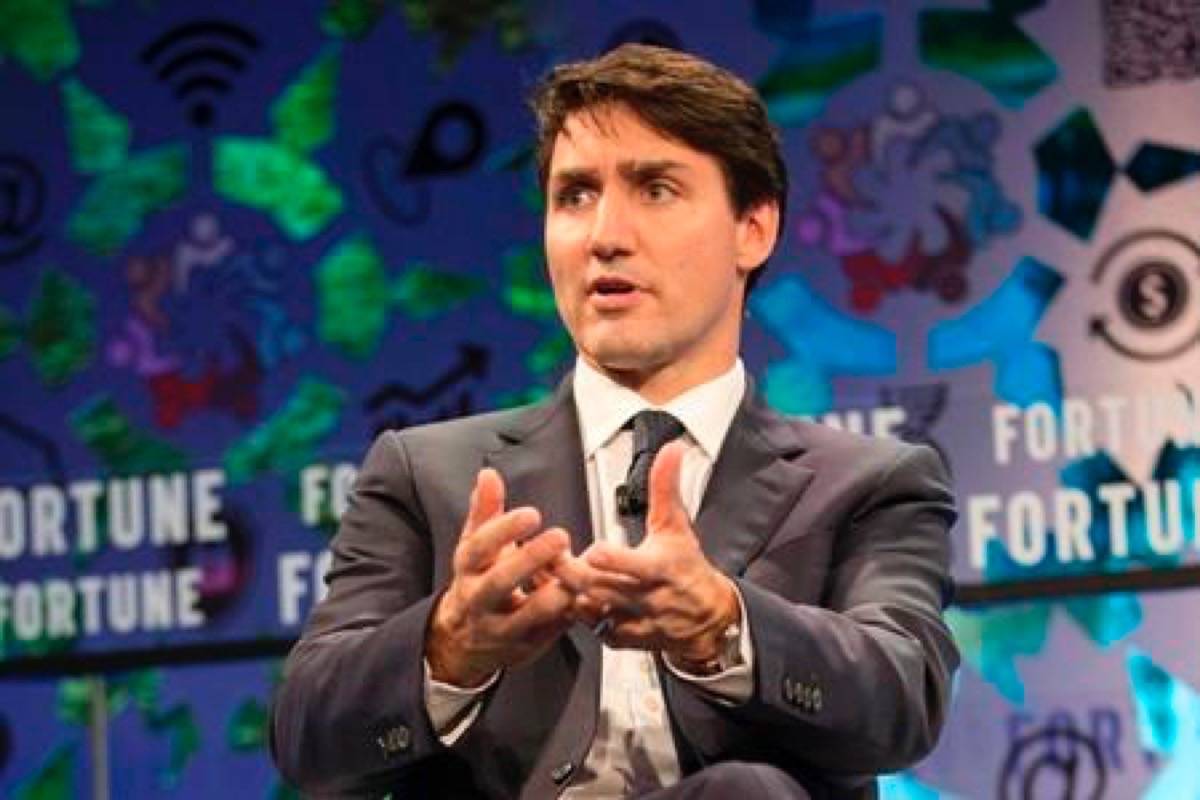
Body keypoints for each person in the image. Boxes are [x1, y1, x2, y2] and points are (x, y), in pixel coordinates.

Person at [270, 43, 959, 799]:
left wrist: (727, 627)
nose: (605, 235)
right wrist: (449, 646)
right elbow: (307, 734)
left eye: (656, 189)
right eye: (574, 196)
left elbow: (901, 701)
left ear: (754, 228)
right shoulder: (426, 475)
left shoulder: (869, 485)